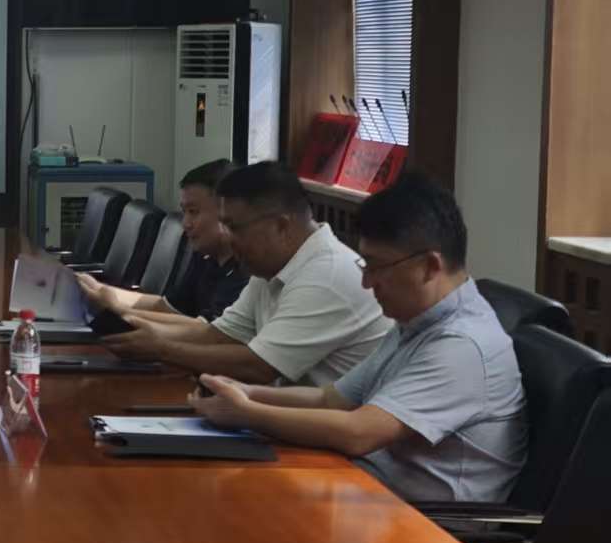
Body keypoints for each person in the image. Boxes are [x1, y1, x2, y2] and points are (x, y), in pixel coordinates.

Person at [192, 173, 527, 503]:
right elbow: (331, 400)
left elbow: (359, 432)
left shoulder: (462, 346)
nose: (366, 282)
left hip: (424, 522)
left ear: (429, 266)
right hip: (366, 488)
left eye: (377, 267)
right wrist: (247, 392)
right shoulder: (414, 322)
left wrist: (248, 413)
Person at [104, 160, 389, 384]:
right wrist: (140, 330)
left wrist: (161, 348)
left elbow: (258, 366)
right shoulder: (271, 267)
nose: (228, 238)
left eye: (235, 227)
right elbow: (220, 336)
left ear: (281, 226)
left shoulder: (326, 276)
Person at [76, 158, 248, 323]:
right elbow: (167, 307)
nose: (186, 223)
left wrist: (121, 310)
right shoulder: (206, 256)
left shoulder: (246, 271)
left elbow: (206, 330)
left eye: (194, 212)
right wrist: (97, 289)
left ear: (227, 212)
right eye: (184, 212)